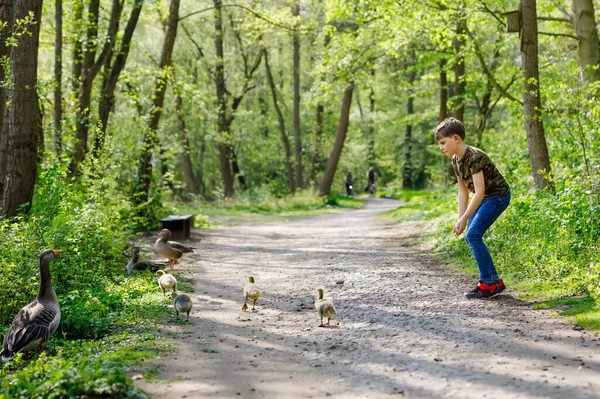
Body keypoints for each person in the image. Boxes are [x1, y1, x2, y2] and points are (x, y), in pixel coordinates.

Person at [434, 117, 511, 299]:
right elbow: (464, 192)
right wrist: (460, 219)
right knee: (470, 235)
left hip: (497, 196)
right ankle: (494, 282)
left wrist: (465, 219)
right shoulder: (455, 160)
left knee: (473, 235)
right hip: (484, 197)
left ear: (456, 139)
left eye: (443, 142)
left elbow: (480, 192)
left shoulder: (474, 157)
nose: (441, 147)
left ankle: (488, 283)